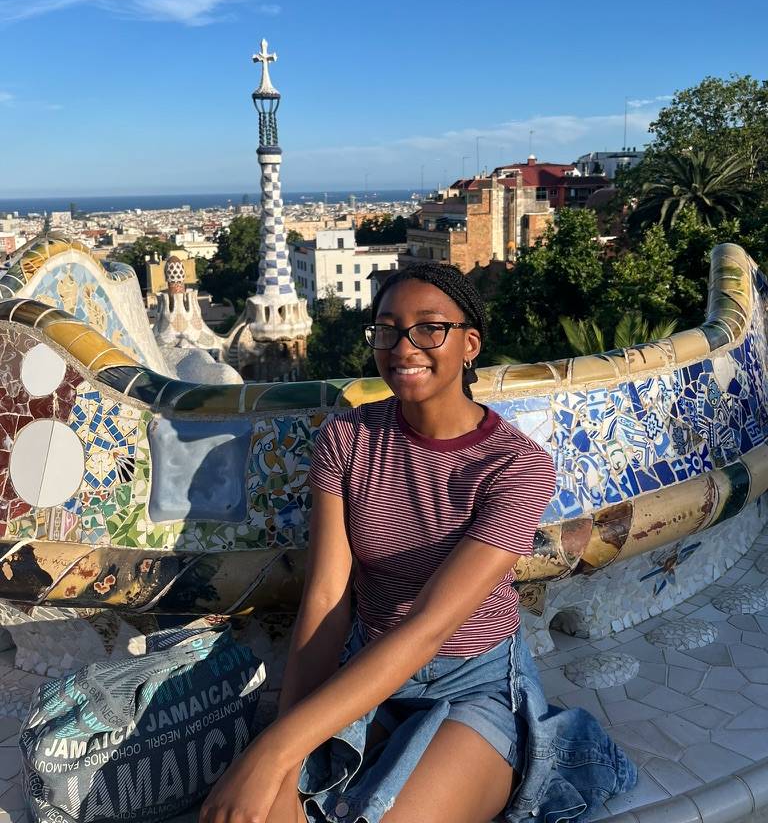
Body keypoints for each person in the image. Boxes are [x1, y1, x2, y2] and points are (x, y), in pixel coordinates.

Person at [201, 263, 636, 823]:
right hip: (369, 669)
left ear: (469, 343)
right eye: (387, 329)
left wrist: (271, 752)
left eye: (429, 328)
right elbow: (329, 599)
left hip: (474, 683)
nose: (405, 346)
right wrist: (283, 762)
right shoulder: (350, 438)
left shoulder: (515, 466)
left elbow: (429, 627)